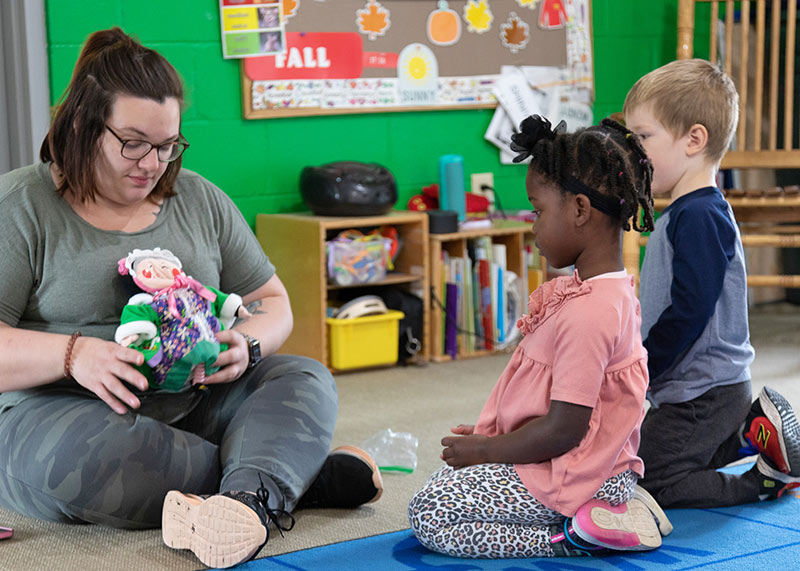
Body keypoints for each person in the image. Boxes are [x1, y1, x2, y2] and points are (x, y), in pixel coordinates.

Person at [0, 27, 383, 569]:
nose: (151, 163)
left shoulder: (198, 197)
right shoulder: (22, 204)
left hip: (197, 402)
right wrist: (75, 355)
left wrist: (246, 346)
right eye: (132, 143)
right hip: (66, 415)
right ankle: (279, 480)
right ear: (85, 124)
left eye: (166, 145)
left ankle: (247, 498)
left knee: (302, 378)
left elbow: (273, 302)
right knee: (87, 460)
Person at [408, 115, 670, 559]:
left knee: (431, 513)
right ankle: (610, 510)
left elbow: (565, 430)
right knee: (444, 486)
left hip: (577, 472)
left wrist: (487, 450)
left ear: (580, 210)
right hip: (589, 465)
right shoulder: (597, 291)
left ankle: (578, 537)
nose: (533, 226)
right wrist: (498, 433)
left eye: (538, 211)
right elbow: (558, 402)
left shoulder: (590, 312)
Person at [623, 58, 800, 509]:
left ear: (693, 140)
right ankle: (747, 432)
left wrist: (647, 365)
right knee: (646, 458)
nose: (635, 151)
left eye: (643, 137)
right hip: (704, 392)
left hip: (701, 392)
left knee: (647, 481)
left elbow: (691, 308)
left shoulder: (699, 216)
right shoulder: (687, 210)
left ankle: (760, 483)